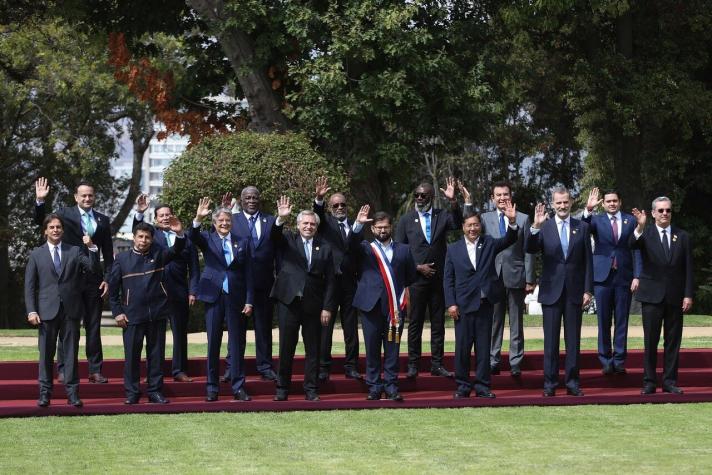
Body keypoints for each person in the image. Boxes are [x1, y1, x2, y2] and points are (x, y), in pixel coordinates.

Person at [34, 177, 113, 383]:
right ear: (76, 197)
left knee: (93, 326)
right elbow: (41, 222)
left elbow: (109, 254)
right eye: (83, 195)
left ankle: (95, 370)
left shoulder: (103, 220)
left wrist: (107, 278)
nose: (87, 198)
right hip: (70, 280)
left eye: (90, 195)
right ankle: (63, 369)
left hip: (94, 281)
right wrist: (40, 202)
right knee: (68, 326)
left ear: (94, 197)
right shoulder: (64, 215)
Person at [395, 177, 469, 379]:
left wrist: (453, 201)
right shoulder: (406, 220)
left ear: (431, 197)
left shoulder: (441, 215)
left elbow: (457, 223)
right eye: (416, 195)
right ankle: (413, 364)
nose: (419, 198)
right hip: (416, 280)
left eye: (423, 195)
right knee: (415, 323)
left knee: (438, 324)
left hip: (438, 280)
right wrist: (418, 267)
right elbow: (399, 251)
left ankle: (437, 364)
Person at [25, 214, 100, 408]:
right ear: (46, 231)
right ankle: (44, 395)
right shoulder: (36, 254)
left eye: (58, 227)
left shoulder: (74, 251)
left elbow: (92, 268)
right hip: (45, 312)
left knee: (70, 354)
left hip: (71, 311)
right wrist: (31, 311)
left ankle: (73, 394)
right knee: (45, 355)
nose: (55, 230)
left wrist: (91, 247)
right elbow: (29, 286)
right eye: (52, 227)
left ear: (63, 230)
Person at [444, 206, 519, 399]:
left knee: (484, 349)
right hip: (462, 306)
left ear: (480, 226)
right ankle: (462, 386)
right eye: (469, 225)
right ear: (463, 227)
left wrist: (511, 222)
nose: (473, 229)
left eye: (476, 225)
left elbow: (509, 239)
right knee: (462, 349)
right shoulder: (453, 249)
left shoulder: (489, 243)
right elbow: (448, 279)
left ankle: (483, 386)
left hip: (485, 303)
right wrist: (451, 303)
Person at [109, 220, 187, 404]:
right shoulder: (121, 259)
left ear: (152, 240)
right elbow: (113, 291)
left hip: (157, 314)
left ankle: (155, 391)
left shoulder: (159, 255)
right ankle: (132, 393)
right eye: (140, 237)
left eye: (147, 237)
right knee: (132, 357)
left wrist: (180, 234)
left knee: (156, 356)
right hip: (132, 316)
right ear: (134, 238)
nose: (143, 240)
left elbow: (176, 250)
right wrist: (118, 312)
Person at [526, 187, 593, 397]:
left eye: (565, 202)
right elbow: (529, 248)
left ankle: (572, 383)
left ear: (571, 202)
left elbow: (588, 262)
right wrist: (535, 226)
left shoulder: (582, 227)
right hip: (551, 292)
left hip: (575, 292)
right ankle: (550, 384)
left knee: (573, 341)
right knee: (551, 342)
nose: (562, 206)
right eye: (558, 203)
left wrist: (588, 290)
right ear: (552, 204)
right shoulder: (543, 228)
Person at [270, 196, 335, 402]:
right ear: (298, 225)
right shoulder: (288, 239)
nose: (308, 226)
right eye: (305, 223)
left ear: (317, 227)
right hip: (289, 302)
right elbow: (274, 236)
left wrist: (327, 307)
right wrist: (280, 219)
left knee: (313, 349)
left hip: (314, 305)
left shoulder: (324, 247)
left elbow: (331, 280)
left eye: (312, 224)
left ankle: (311, 389)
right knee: (286, 347)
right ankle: (282, 388)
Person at [190, 198, 254, 402]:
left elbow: (249, 274)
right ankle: (212, 387)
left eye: (227, 220)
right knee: (213, 343)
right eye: (221, 221)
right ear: (214, 223)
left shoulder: (242, 242)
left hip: (236, 297)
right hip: (213, 295)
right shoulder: (207, 238)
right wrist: (198, 218)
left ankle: (238, 387)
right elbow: (193, 236)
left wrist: (249, 300)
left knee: (237, 344)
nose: (225, 223)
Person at [351, 208, 417, 401]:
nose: (382, 231)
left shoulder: (403, 250)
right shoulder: (364, 248)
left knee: (392, 348)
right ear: (372, 229)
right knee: (372, 348)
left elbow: (410, 277)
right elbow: (349, 247)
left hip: (394, 309)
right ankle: (374, 386)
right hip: (370, 306)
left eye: (386, 227)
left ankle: (391, 385)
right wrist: (358, 225)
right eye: (378, 227)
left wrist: (404, 303)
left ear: (391, 228)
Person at [631, 197, 694, 395]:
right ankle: (649, 382)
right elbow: (632, 244)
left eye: (668, 210)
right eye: (661, 211)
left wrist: (688, 295)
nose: (665, 213)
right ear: (653, 213)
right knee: (650, 341)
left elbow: (688, 269)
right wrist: (640, 227)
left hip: (675, 297)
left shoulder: (682, 236)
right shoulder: (645, 234)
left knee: (673, 341)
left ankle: (669, 381)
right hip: (651, 296)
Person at [133, 194, 200, 382]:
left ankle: (179, 370)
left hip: (179, 292)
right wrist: (139, 213)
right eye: (161, 215)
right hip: (156, 292)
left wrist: (193, 291)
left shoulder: (185, 237)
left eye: (167, 215)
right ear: (155, 219)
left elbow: (194, 267)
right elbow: (137, 233)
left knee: (179, 333)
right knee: (155, 336)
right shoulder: (151, 236)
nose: (164, 218)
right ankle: (154, 372)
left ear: (173, 216)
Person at [221, 186, 278, 382]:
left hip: (264, 283)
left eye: (255, 197)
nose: (251, 200)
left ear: (259, 200)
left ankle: (265, 366)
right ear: (241, 200)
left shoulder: (271, 220)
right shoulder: (232, 221)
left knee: (263, 327)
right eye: (248, 198)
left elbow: (277, 250)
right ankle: (233, 367)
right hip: (238, 285)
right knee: (236, 330)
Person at [480, 182, 536, 377]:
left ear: (511, 196)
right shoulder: (485, 219)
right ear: (492, 198)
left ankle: (515, 361)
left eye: (505, 194)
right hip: (492, 277)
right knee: (494, 321)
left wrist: (530, 278)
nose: (502, 198)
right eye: (498, 195)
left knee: (516, 322)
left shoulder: (523, 218)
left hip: (516, 275)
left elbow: (529, 250)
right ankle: (493, 360)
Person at [583, 187, 640, 375]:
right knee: (604, 321)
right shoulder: (596, 220)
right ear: (604, 203)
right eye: (608, 201)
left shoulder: (631, 220)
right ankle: (605, 360)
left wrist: (637, 275)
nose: (612, 204)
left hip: (624, 276)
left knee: (622, 320)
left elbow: (636, 249)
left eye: (615, 200)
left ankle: (619, 359)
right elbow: (582, 229)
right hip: (602, 277)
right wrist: (588, 210)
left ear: (620, 202)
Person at [313, 176, 362, 381]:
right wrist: (319, 199)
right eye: (336, 205)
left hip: (350, 283)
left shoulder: (356, 224)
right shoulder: (325, 223)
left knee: (350, 327)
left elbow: (358, 249)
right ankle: (324, 366)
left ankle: (351, 366)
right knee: (326, 327)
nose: (340, 207)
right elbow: (318, 215)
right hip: (329, 283)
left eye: (342, 204)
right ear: (331, 207)